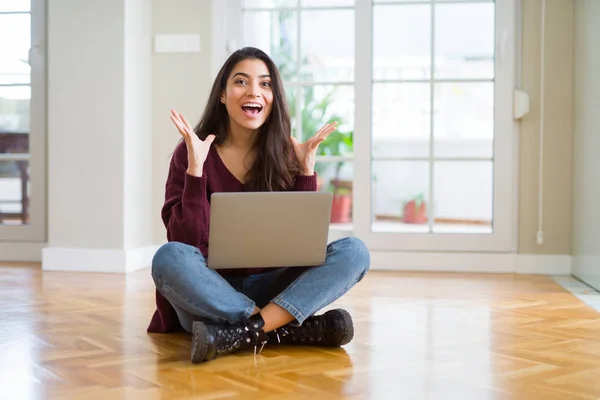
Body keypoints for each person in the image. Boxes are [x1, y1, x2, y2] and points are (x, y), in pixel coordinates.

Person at [148, 47, 370, 364]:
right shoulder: (190, 153)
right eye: (241, 81)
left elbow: (302, 247)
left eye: (265, 84)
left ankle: (245, 332)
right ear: (222, 95)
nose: (254, 91)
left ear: (273, 98)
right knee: (168, 257)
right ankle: (282, 328)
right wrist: (196, 172)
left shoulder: (286, 155)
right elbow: (186, 244)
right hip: (210, 295)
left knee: (355, 251)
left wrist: (305, 172)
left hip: (272, 286)